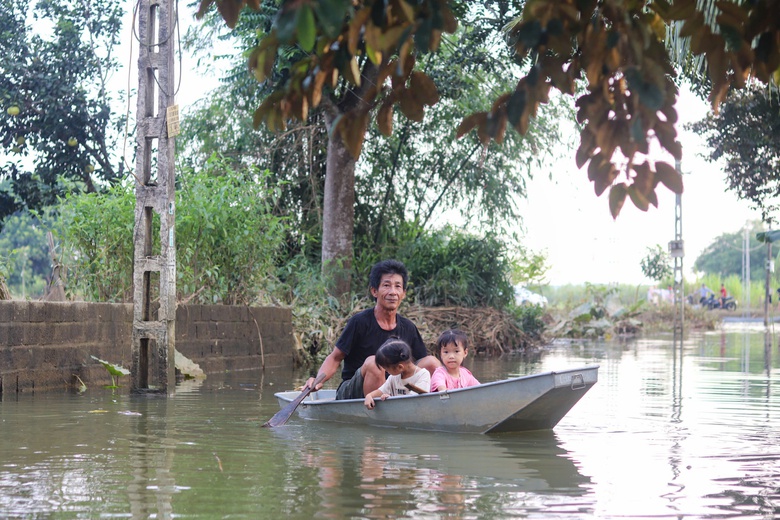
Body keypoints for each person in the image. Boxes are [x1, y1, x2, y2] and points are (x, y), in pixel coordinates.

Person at [304, 259, 440, 399]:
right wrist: (317, 381)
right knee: (374, 363)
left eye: (398, 286)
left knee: (432, 363)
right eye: (386, 285)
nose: (393, 292)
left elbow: (420, 365)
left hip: (391, 390)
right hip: (354, 391)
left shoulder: (408, 327)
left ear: (403, 293)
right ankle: (374, 409)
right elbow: (335, 358)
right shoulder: (359, 322)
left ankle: (433, 405)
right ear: (374, 291)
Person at [364, 338, 431, 409]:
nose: (386, 371)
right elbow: (381, 391)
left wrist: (392, 400)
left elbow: (414, 400)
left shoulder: (422, 375)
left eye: (387, 369)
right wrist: (369, 396)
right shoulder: (394, 377)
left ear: (400, 367)